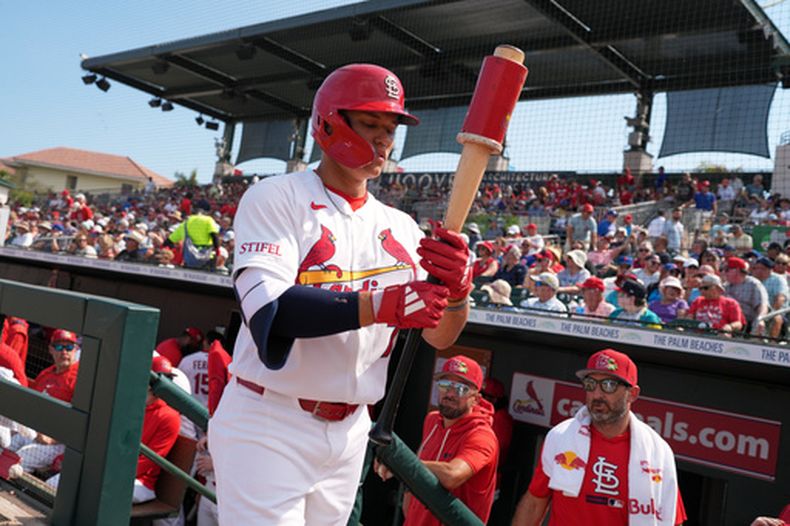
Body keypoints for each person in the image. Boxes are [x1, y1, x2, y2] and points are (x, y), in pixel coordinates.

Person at [208, 64, 470, 525]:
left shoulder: (401, 227)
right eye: (370, 125)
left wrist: (457, 294)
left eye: (390, 129)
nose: (384, 140)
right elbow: (271, 312)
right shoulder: (276, 197)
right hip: (269, 421)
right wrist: (381, 305)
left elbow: (440, 338)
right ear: (328, 124)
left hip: (352, 430)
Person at [512, 349, 686, 525]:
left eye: (608, 385)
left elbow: (672, 520)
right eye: (590, 384)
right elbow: (534, 503)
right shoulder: (560, 437)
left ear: (632, 394)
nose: (596, 395)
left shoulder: (657, 452)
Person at [377, 356, 498, 526]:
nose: (450, 393)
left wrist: (401, 465)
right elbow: (419, 461)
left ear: (476, 399)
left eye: (460, 389)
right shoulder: (432, 420)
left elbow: (452, 475)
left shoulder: (481, 435)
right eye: (445, 385)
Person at [11, 330, 80, 472]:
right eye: (59, 347)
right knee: (7, 447)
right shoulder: (45, 374)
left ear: (76, 349)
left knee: (18, 461)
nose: (64, 352)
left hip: (61, 442)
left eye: (69, 347)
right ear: (50, 349)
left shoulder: (79, 379)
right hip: (37, 433)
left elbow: (80, 422)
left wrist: (52, 439)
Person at [168, 199, 221, 270]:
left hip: (190, 258)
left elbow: (171, 239)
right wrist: (217, 250)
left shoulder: (187, 221)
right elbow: (214, 235)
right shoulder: (209, 220)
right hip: (207, 258)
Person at [724, 257, 769, 335]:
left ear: (737, 270)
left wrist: (760, 318)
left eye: (727, 270)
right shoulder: (726, 286)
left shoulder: (754, 284)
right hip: (729, 321)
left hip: (748, 321)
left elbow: (762, 305)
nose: (725, 272)